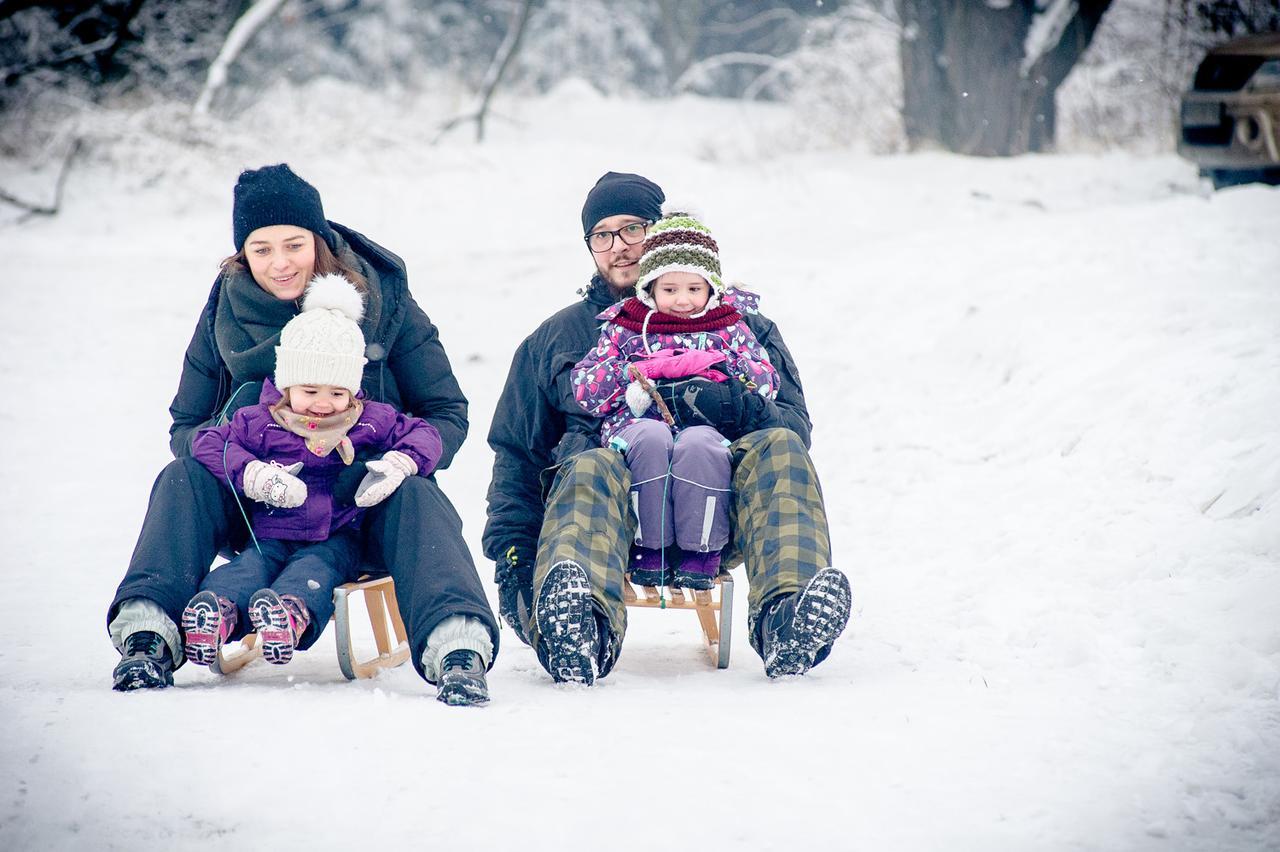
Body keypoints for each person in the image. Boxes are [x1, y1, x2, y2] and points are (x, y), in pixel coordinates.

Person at [109, 163, 498, 706]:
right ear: (242, 254)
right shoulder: (226, 309)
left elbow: (445, 410)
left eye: (293, 245)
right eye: (261, 249)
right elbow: (188, 425)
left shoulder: (385, 302)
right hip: (260, 503)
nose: (279, 263)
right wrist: (247, 471)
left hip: (363, 502)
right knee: (182, 476)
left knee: (418, 495)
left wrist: (397, 464)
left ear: (318, 241)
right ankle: (148, 631)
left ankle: (457, 647)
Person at [484, 171, 851, 685]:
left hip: (718, 509)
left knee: (781, 448)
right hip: (602, 527)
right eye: (602, 235)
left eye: (633, 228)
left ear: (663, 232)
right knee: (590, 462)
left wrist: (735, 405)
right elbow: (517, 455)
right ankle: (580, 629)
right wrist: (513, 555)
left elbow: (792, 429)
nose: (619, 246)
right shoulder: (557, 339)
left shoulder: (741, 328)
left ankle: (786, 617)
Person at [183, 273, 449, 677]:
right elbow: (206, 442)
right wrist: (253, 474)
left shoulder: (371, 420)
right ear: (287, 385)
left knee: (314, 572)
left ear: (353, 390)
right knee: (245, 570)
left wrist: (398, 463)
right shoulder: (260, 421)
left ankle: (288, 617)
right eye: (310, 391)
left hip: (338, 536)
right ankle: (214, 616)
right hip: (271, 532)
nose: (324, 405)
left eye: (337, 393)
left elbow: (427, 434)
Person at [569, 211, 779, 591]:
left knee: (698, 444)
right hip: (638, 426)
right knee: (650, 439)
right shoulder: (626, 327)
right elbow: (585, 388)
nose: (682, 300)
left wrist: (723, 370)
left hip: (707, 428)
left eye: (693, 289)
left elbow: (766, 381)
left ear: (710, 289)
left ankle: (702, 550)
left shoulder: (728, 327)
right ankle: (650, 545)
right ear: (650, 289)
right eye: (670, 290)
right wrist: (635, 372)